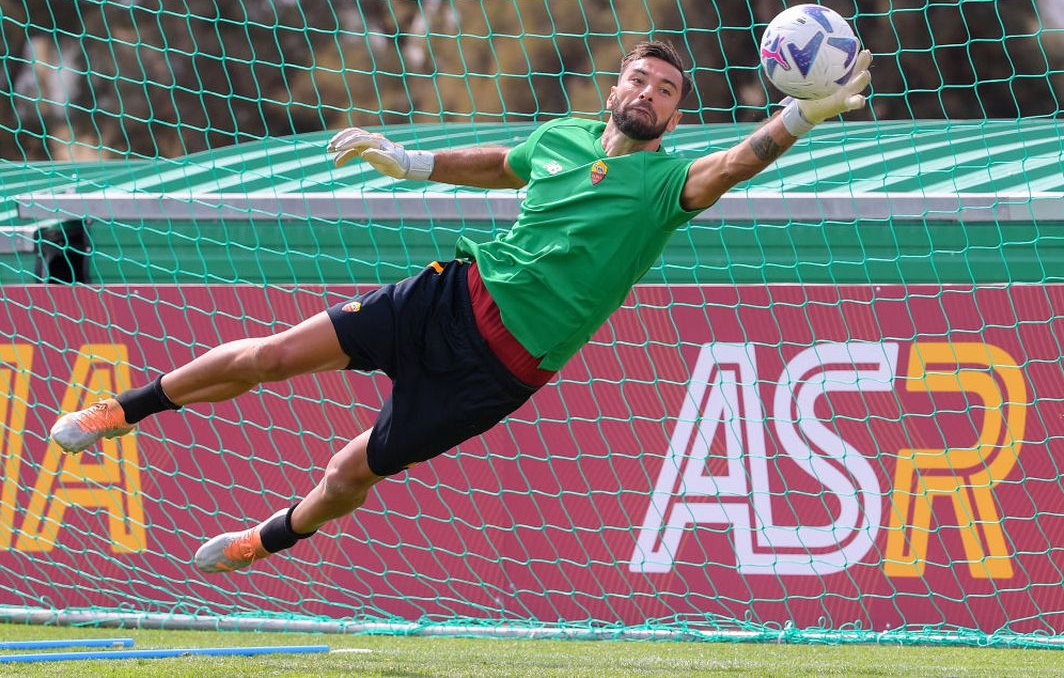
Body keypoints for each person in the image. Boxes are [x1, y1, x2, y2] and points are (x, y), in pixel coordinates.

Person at [50, 40, 872, 574]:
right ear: (616, 86)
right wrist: (408, 160)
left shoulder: (667, 183)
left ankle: (265, 539)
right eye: (640, 78)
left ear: (676, 114)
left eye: (666, 91)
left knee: (346, 474)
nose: (650, 94)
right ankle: (118, 414)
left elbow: (733, 165)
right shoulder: (562, 138)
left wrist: (798, 116)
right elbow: (501, 164)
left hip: (498, 371)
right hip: (450, 295)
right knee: (272, 357)